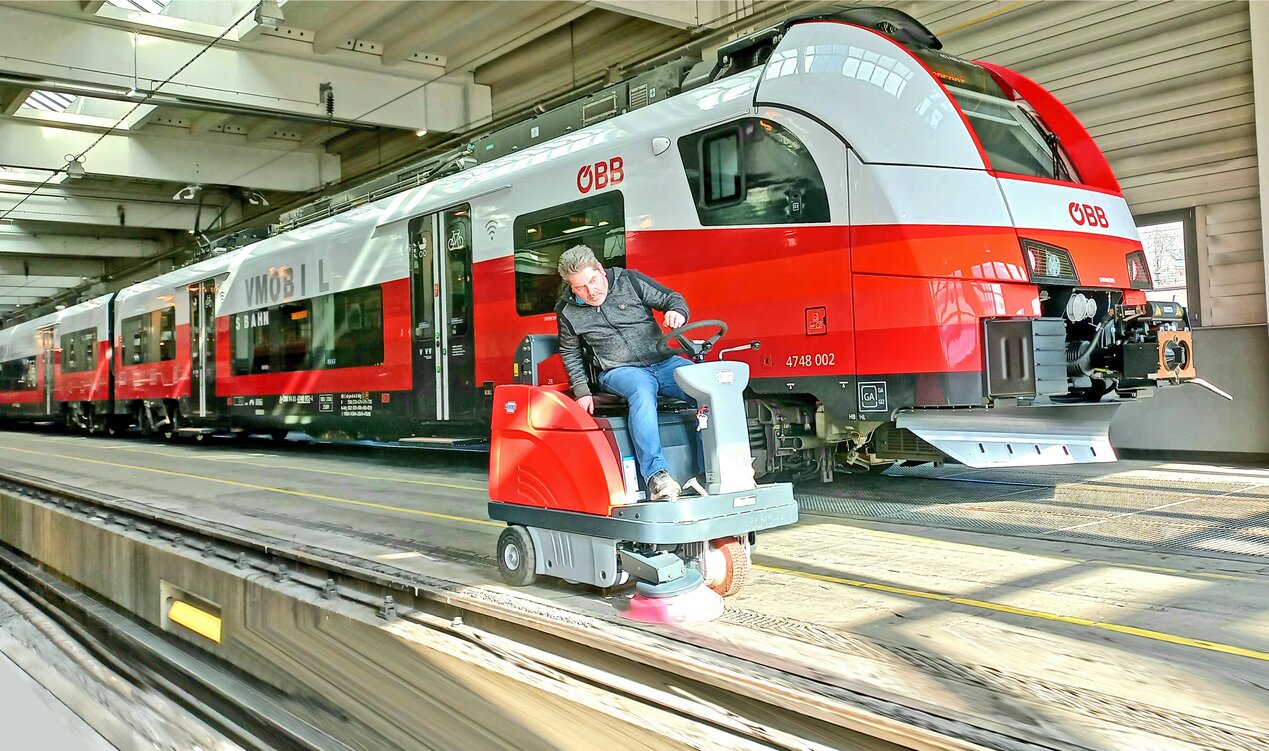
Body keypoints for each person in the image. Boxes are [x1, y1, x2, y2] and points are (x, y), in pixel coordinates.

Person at [555, 245, 693, 501]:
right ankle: (657, 477)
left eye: (593, 281)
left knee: (707, 387)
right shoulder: (566, 311)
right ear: (571, 287)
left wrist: (677, 312)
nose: (590, 291)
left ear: (600, 270)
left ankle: (724, 463)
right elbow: (570, 353)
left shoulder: (630, 281)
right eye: (580, 288)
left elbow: (672, 298)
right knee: (641, 390)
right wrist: (582, 391)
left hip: (663, 363)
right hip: (619, 371)